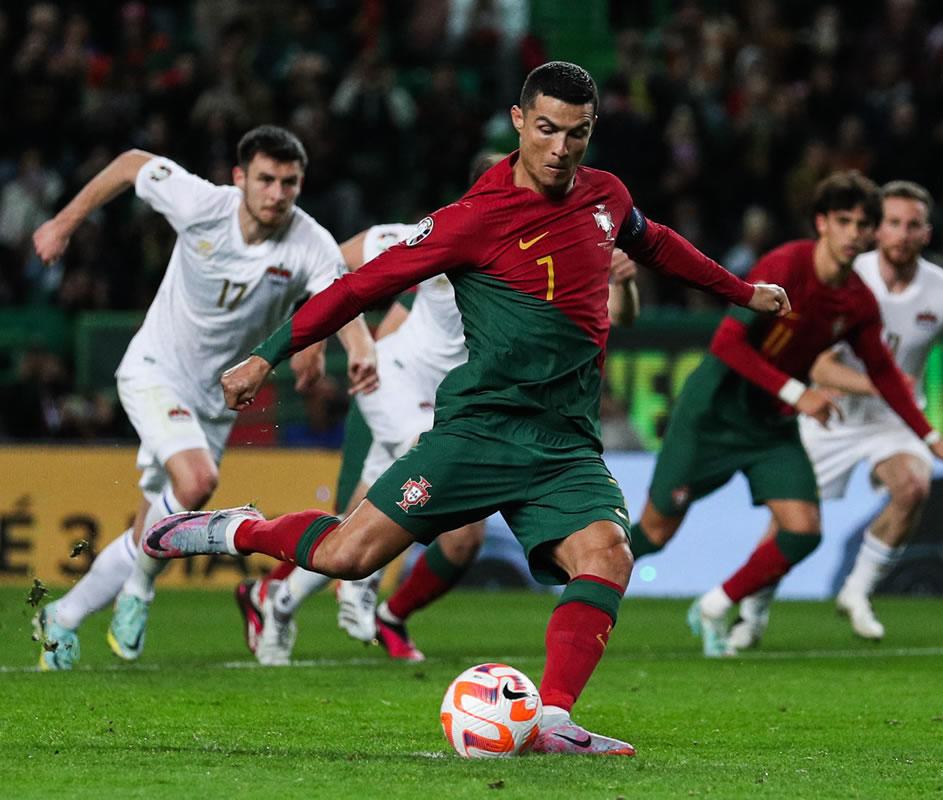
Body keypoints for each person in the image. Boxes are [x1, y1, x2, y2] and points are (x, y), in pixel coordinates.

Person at [142, 61, 788, 755]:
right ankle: (236, 531)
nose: (561, 148)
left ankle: (553, 721)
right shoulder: (471, 220)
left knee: (607, 555)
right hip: (479, 433)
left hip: (564, 443)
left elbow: (652, 240)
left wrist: (741, 290)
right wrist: (266, 355)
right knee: (346, 554)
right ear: (518, 122)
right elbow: (356, 288)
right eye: (546, 129)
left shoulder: (605, 195)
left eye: (577, 133)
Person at [239, 152, 644, 666]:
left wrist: (624, 280)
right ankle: (352, 588)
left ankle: (278, 597)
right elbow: (334, 266)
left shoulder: (560, 250)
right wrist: (345, 343)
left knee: (388, 533)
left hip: (458, 404)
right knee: (416, 480)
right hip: (395, 379)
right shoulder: (448, 230)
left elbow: (615, 317)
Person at [30, 126, 377, 671]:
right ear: (240, 178)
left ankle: (63, 618)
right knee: (196, 484)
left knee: (158, 529)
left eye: (290, 182)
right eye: (265, 179)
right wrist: (63, 223)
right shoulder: (201, 204)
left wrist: (359, 348)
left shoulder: (311, 241)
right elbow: (130, 162)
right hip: (156, 371)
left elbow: (340, 299)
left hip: (218, 402)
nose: (277, 193)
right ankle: (141, 591)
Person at [625, 171, 943, 657]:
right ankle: (581, 564)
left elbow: (885, 375)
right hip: (714, 412)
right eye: (844, 220)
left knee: (803, 530)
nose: (855, 232)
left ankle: (714, 605)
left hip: (770, 424)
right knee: (654, 534)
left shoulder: (855, 301)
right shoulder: (784, 266)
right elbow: (726, 343)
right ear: (821, 223)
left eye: (863, 224)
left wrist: (933, 440)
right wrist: (798, 392)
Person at [727, 181, 943, 648]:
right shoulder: (846, 280)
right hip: (828, 415)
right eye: (892, 223)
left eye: (912, 225)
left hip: (894, 422)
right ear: (877, 231)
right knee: (788, 525)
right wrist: (879, 383)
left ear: (927, 233)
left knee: (913, 486)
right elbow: (818, 364)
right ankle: (751, 615)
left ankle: (856, 592)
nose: (900, 233)